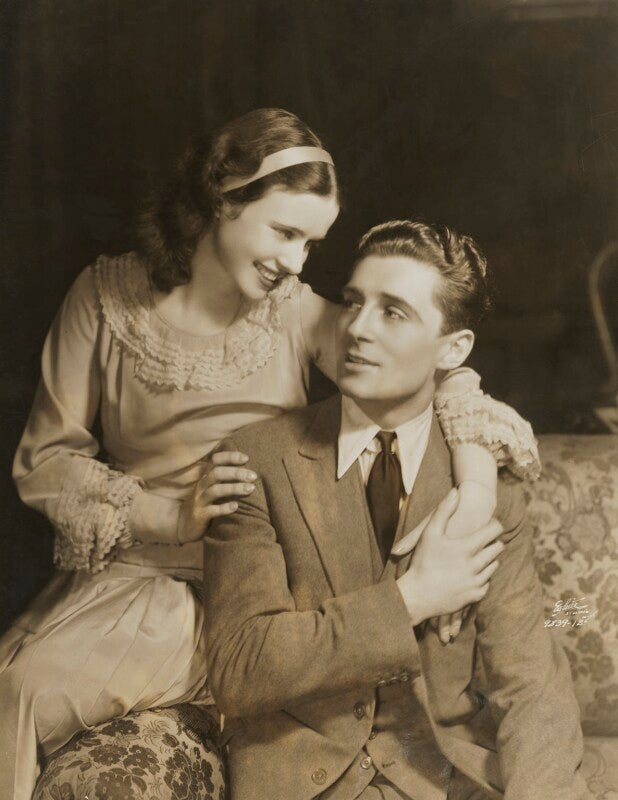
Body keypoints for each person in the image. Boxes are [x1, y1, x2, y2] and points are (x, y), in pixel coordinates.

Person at [1, 109, 538, 800]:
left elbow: (429, 367)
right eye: (285, 232)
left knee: (23, 688)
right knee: (12, 687)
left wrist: (477, 492)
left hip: (256, 589)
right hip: (127, 577)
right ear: (223, 197)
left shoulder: (298, 313)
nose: (295, 262)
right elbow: (44, 461)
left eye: (312, 244)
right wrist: (171, 514)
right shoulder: (103, 300)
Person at [202, 219, 589, 800]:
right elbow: (239, 669)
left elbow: (531, 683)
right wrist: (414, 598)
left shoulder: (486, 485)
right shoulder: (253, 459)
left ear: (453, 350)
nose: (356, 328)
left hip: (442, 779)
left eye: (393, 312)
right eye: (353, 302)